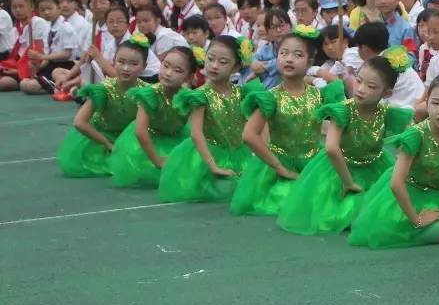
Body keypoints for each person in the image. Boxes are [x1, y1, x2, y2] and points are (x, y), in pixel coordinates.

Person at [349, 66, 439, 248]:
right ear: (427, 103)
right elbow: (396, 183)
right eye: (435, 103)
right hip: (413, 194)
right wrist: (417, 219)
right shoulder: (416, 136)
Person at [277, 52, 414, 235]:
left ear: (386, 92)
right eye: (359, 80)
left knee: (388, 211)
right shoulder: (343, 110)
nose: (361, 89)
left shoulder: (387, 113)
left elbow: (409, 137)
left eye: (371, 86)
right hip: (339, 171)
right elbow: (332, 148)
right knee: (346, 213)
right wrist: (348, 182)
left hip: (374, 167)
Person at [234, 27, 345, 216]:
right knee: (290, 202)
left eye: (298, 54)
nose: (289, 59)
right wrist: (278, 167)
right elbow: (249, 135)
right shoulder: (270, 98)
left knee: (328, 202)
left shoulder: (320, 96)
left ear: (310, 62)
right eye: (283, 53)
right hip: (280, 169)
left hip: (313, 166)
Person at [157, 36, 261, 203]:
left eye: (223, 62)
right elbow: (196, 134)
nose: (214, 65)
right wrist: (213, 166)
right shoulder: (200, 95)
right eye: (210, 58)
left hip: (238, 154)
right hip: (207, 155)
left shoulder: (242, 93)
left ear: (236, 66)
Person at [56, 34, 148, 178]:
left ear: (144, 66)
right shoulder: (103, 89)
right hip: (101, 139)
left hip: (130, 139)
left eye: (133, 64)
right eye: (121, 62)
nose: (125, 68)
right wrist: (107, 144)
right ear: (113, 61)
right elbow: (79, 122)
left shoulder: (146, 92)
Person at [107, 44, 197, 188]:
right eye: (165, 66)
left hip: (176, 139)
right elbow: (140, 131)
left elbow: (196, 130)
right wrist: (157, 160)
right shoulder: (150, 94)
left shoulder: (189, 98)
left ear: (189, 76)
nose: (168, 73)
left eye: (178, 70)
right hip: (148, 141)